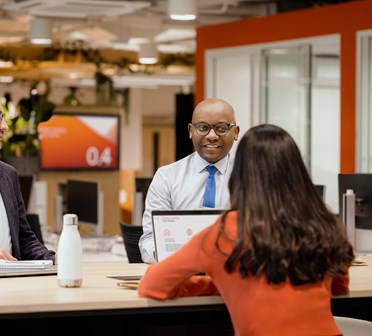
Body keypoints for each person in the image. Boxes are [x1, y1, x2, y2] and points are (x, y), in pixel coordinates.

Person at [138, 124, 355, 335]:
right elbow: (339, 287)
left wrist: (216, 284)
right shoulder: (322, 224)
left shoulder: (228, 229)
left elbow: (152, 285)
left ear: (240, 175)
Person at [138, 97, 240, 264]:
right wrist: (173, 258)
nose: (212, 136)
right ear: (191, 130)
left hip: (233, 274)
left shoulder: (249, 177)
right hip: (180, 274)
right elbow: (149, 240)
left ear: (235, 132)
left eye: (221, 128)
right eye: (203, 128)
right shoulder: (167, 177)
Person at [0, 110, 56, 262]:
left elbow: (24, 239)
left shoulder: (8, 175)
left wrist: (52, 258)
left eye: (3, 118)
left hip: (12, 280)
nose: (4, 127)